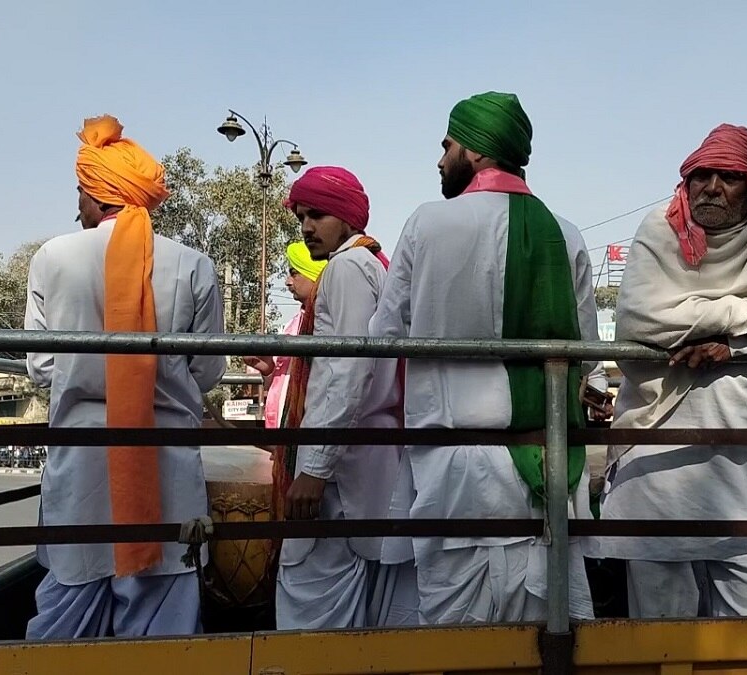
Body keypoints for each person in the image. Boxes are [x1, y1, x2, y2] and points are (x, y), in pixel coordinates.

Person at [593, 124, 747, 618]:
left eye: (727, 177)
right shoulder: (660, 230)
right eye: (700, 175)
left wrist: (732, 346)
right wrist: (744, 317)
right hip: (660, 452)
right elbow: (641, 317)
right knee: (661, 631)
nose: (710, 186)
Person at [370, 91, 598, 624]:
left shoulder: (429, 223)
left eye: (447, 145)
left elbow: (383, 338)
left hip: (455, 472)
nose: (439, 158)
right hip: (548, 464)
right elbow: (584, 349)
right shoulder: (566, 235)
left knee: (458, 636)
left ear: (474, 152)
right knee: (547, 634)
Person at [24, 115, 226, 639]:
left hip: (81, 460)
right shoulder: (193, 265)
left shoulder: (52, 257)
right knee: (165, 629)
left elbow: (41, 367)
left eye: (81, 192)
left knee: (65, 617)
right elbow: (207, 371)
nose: (78, 206)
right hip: (167, 466)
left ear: (96, 194)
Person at [273, 166, 415, 629]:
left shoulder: (349, 268)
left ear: (348, 218)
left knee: (308, 601)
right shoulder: (367, 264)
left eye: (318, 215)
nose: (307, 227)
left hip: (343, 467)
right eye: (302, 217)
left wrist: (313, 468)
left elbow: (347, 371)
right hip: (360, 457)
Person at [243, 242, 327, 431]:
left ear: (314, 274)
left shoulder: (326, 324)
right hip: (285, 435)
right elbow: (283, 382)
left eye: (295, 273)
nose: (288, 282)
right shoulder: (293, 325)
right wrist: (267, 368)